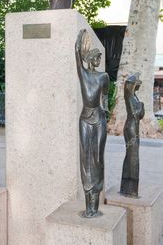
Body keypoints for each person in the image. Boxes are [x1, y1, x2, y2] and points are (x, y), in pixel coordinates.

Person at [75, 29, 109, 217]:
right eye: (96, 56)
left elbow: (105, 99)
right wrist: (78, 44)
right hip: (85, 120)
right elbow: (76, 59)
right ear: (90, 59)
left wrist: (104, 112)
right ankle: (89, 203)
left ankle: (96, 200)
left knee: (97, 158)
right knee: (85, 158)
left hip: (99, 119)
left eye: (100, 57)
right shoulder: (84, 75)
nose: (98, 59)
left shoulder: (103, 77)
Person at [120, 73, 144, 197]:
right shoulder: (129, 96)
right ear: (133, 85)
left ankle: (127, 186)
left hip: (132, 127)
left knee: (131, 155)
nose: (139, 84)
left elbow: (139, 115)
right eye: (137, 82)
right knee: (133, 156)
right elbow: (136, 114)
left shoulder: (133, 96)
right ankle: (131, 189)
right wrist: (141, 105)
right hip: (131, 128)